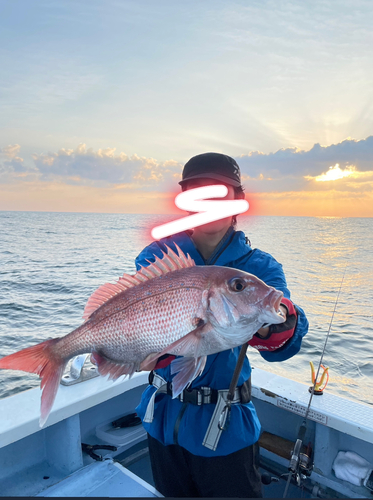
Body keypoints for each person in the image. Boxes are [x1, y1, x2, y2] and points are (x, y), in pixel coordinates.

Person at [134, 152, 309, 498]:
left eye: (218, 193)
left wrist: (277, 327)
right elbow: (136, 321)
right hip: (161, 424)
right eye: (198, 193)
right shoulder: (156, 257)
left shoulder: (260, 268)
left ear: (238, 201)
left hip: (226, 430)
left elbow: (284, 336)